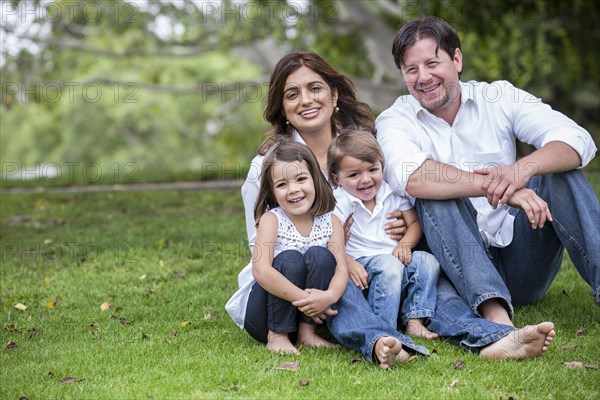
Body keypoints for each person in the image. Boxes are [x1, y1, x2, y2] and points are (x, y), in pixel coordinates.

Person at [226, 51, 555, 368]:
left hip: (382, 265)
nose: (307, 100)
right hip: (309, 279)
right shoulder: (268, 167)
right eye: (292, 94)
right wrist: (330, 243)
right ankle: (379, 338)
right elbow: (266, 250)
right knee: (340, 275)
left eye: (315, 88)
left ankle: (493, 338)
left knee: (430, 279)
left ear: (335, 94)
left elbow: (405, 191)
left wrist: (398, 225)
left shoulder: (368, 143)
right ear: (282, 108)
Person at [376, 16, 599, 320]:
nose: (423, 77)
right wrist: (502, 189)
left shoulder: (499, 97)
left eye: (432, 63)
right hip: (455, 266)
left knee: (560, 172)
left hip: (521, 259)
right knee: (432, 192)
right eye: (411, 69)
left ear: (457, 59)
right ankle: (495, 316)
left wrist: (520, 172)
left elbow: (576, 140)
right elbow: (412, 176)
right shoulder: (395, 119)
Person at [327, 128, 440, 339]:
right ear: (336, 177)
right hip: (362, 267)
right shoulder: (339, 201)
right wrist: (348, 261)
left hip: (394, 258)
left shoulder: (390, 193)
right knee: (390, 267)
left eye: (372, 169)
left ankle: (415, 319)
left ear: (381, 165)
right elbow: (330, 240)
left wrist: (405, 244)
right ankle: (383, 330)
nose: (366, 180)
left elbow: (414, 222)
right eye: (353, 175)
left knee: (427, 261)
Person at [246, 140, 348, 354]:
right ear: (272, 192)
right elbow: (261, 271)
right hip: (265, 317)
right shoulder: (272, 220)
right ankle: (277, 337)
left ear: (315, 179)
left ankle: (306, 333)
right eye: (282, 184)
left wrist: (329, 297)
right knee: (290, 259)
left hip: (310, 310)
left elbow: (340, 269)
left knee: (321, 256)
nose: (293, 190)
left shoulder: (331, 222)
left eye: (301, 179)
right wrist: (307, 299)